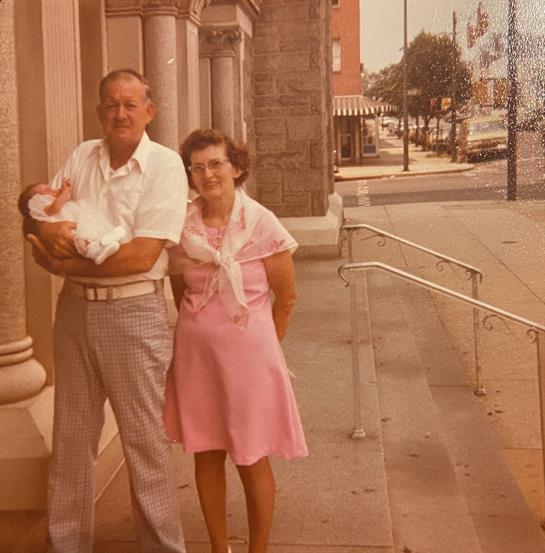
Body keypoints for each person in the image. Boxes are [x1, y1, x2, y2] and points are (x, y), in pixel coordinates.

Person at [25, 68, 188, 553]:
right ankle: (67, 544)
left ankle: (163, 547)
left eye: (130, 104)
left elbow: (141, 256)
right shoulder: (81, 156)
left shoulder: (164, 166)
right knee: (72, 442)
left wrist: (63, 259)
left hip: (133, 313)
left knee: (144, 442)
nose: (120, 113)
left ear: (148, 112)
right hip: (74, 315)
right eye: (111, 105)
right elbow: (41, 227)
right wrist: (47, 238)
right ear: (99, 111)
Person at [163, 128, 308, 553]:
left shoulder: (262, 223)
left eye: (216, 164)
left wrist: (267, 350)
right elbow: (181, 291)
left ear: (237, 168)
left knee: (249, 456)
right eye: (198, 167)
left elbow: (287, 297)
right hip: (197, 359)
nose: (207, 174)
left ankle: (257, 549)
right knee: (206, 453)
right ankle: (217, 547)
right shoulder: (182, 226)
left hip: (250, 362)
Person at [19, 179, 126, 264]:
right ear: (34, 201)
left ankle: (105, 239)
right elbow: (56, 207)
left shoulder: (50, 200)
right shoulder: (40, 205)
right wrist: (65, 192)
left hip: (74, 218)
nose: (52, 190)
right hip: (66, 226)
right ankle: (94, 252)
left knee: (89, 226)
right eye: (47, 191)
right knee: (77, 237)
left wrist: (62, 190)